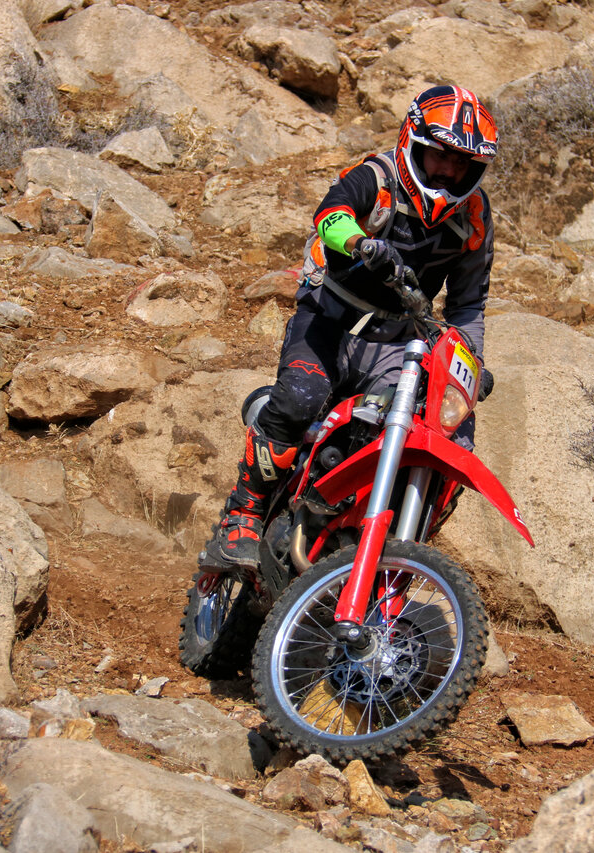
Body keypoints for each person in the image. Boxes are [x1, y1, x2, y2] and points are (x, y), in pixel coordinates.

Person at [199, 84, 499, 572]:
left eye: (462, 163)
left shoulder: (475, 215)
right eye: (440, 156)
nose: (449, 171)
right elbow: (330, 216)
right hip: (329, 317)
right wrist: (360, 243)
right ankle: (243, 517)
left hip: (399, 342)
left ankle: (389, 551)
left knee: (444, 436)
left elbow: (468, 306)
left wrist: (472, 364)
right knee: (300, 397)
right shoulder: (376, 176)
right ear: (413, 142)